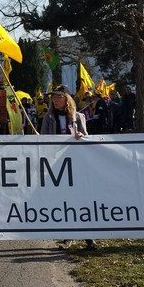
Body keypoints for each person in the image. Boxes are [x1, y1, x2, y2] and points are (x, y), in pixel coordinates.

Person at [41, 85, 96, 251]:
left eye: (58, 96)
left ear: (66, 98)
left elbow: (86, 138)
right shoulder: (48, 117)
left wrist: (81, 136)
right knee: (64, 200)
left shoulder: (78, 117)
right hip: (58, 164)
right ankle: (68, 236)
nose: (55, 100)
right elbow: (43, 140)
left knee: (82, 199)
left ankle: (89, 238)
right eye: (53, 97)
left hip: (77, 164)